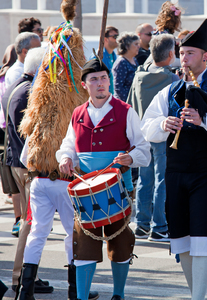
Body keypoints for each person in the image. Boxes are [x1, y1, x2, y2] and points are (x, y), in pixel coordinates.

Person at [141, 19, 207, 299]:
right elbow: (146, 125)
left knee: (200, 238)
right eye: (181, 53)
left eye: (190, 53)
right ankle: (195, 293)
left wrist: (204, 119)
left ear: (206, 57)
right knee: (181, 239)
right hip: (175, 172)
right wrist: (163, 125)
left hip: (206, 173)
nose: (184, 58)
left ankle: (197, 297)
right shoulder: (169, 92)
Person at [15, 14, 99, 299]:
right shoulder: (77, 107)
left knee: (38, 232)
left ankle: (25, 291)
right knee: (71, 234)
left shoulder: (39, 108)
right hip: (65, 181)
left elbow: (27, 152)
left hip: (39, 180)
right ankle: (76, 291)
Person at [57, 57, 150, 300]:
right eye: (95, 79)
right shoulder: (77, 114)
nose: (101, 83)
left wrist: (131, 158)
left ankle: (118, 295)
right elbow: (68, 146)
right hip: (86, 191)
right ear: (84, 84)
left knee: (120, 245)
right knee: (83, 246)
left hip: (119, 189)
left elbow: (143, 149)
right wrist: (66, 158)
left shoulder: (126, 111)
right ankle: (81, 297)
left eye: (104, 78)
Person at [3, 47, 54, 294]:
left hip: (21, 165)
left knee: (32, 224)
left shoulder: (23, 88)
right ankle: (20, 278)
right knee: (30, 225)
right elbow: (28, 135)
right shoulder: (28, 92)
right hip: (26, 167)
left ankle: (27, 275)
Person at [128, 34, 179, 241]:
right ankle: (159, 226)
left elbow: (129, 103)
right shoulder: (172, 78)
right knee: (162, 180)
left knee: (144, 179)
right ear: (170, 54)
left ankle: (141, 224)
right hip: (162, 134)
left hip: (141, 133)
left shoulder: (139, 75)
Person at [90, 26, 119, 93]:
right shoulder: (98, 56)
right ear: (105, 39)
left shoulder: (114, 55)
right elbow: (93, 80)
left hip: (111, 97)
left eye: (118, 36)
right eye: (115, 37)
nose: (117, 39)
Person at [112, 32, 140, 101]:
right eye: (136, 44)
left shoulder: (134, 60)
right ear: (127, 46)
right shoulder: (121, 62)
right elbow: (118, 87)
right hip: (124, 103)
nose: (138, 46)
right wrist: (128, 103)